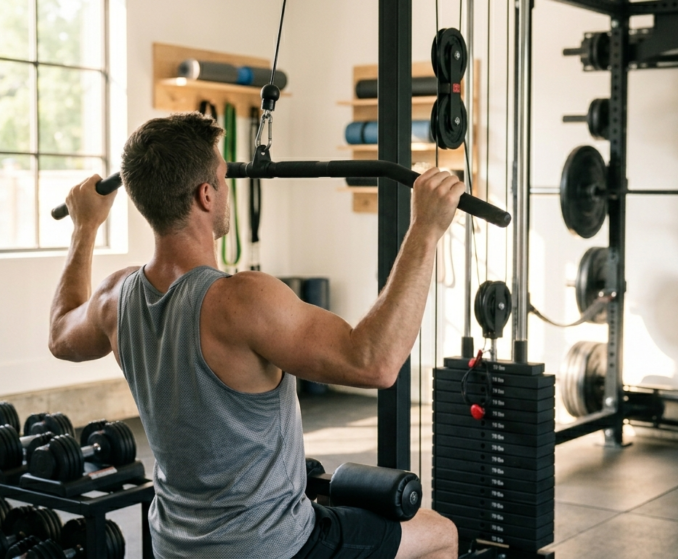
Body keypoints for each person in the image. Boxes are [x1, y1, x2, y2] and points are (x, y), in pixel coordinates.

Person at [48, 112, 463, 559]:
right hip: (270, 546)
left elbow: (60, 333)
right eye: (224, 178)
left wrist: (84, 227)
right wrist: (426, 228)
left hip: (173, 544)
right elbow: (374, 362)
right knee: (440, 536)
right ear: (206, 195)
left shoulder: (115, 298)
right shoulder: (239, 300)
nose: (228, 187)